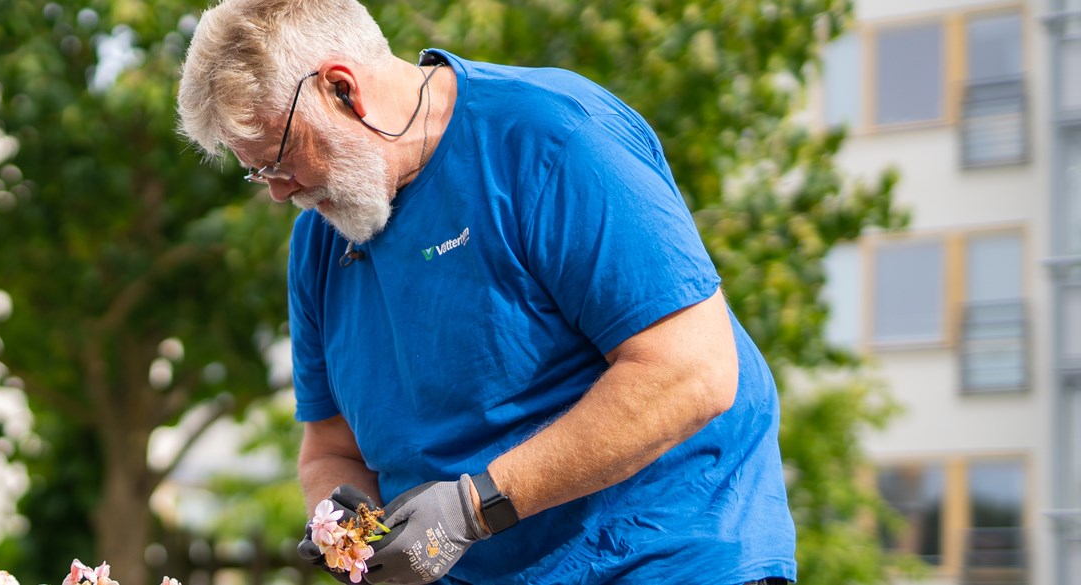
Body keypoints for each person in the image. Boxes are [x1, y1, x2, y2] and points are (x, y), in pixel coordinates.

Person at [176, 1, 795, 583]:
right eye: (259, 172)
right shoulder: (320, 241)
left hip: (662, 554)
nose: (279, 193)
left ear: (343, 89)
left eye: (280, 160)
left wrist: (477, 507)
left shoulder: (551, 137)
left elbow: (692, 372)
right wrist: (349, 531)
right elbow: (330, 448)